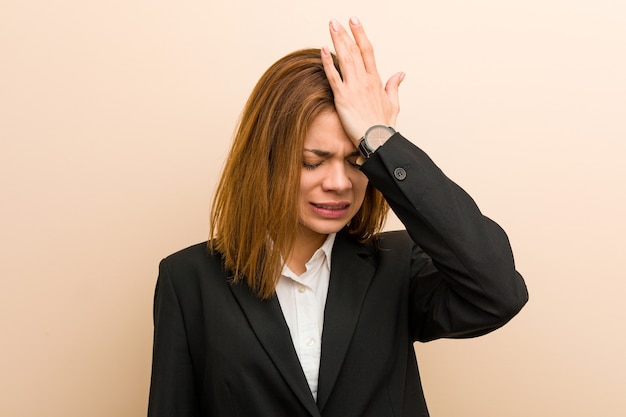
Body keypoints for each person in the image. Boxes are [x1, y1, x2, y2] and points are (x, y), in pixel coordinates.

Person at [148, 17, 528, 417]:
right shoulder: (187, 280)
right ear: (267, 161)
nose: (339, 182)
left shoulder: (398, 266)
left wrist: (381, 139)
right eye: (313, 162)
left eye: (357, 160)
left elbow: (498, 293)